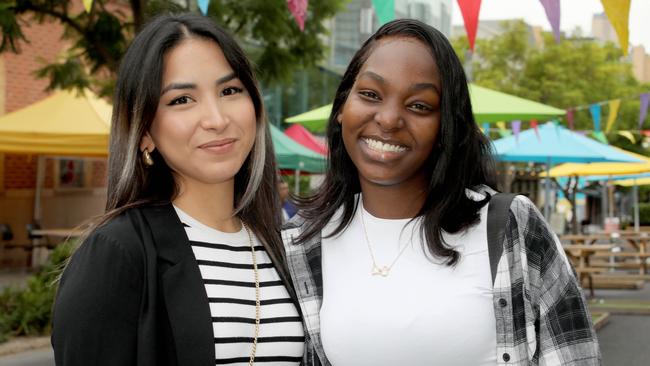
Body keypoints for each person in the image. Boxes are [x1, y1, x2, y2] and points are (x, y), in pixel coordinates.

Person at [282, 19, 600, 366]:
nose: (388, 119)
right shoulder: (301, 242)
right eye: (371, 95)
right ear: (342, 107)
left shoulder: (511, 226)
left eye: (419, 105)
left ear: (445, 126)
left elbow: (575, 357)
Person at [52, 14, 304, 366]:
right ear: (143, 132)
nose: (216, 119)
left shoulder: (284, 246)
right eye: (182, 99)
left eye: (230, 91)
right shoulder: (119, 252)